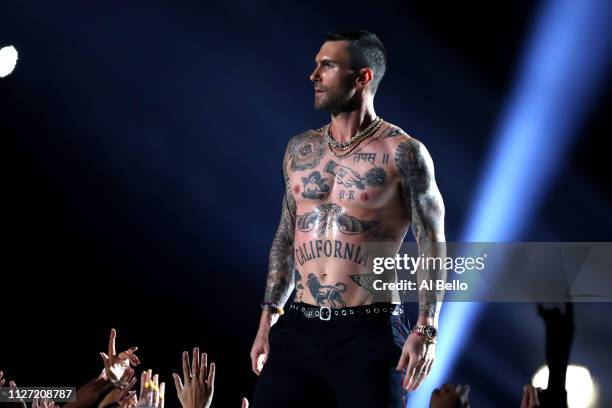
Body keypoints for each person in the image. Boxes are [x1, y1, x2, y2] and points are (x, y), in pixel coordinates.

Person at [250, 30, 446, 407]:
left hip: (368, 333)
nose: (314, 75)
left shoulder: (404, 153)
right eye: (315, 65)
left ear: (362, 78)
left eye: (327, 65)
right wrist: (268, 317)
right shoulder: (300, 149)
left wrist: (427, 327)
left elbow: (432, 242)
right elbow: (287, 236)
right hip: (298, 327)